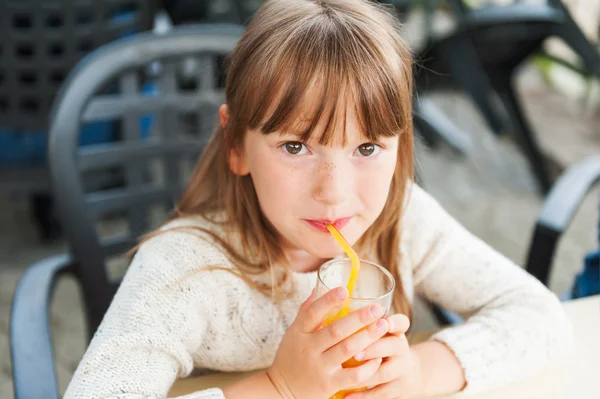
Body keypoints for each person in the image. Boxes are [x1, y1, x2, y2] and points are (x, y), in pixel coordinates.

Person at [64, 1, 573, 398]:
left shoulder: (403, 217)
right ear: (237, 144)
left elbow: (537, 313)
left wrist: (418, 371)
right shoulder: (185, 269)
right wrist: (280, 389)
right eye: (295, 146)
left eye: (367, 147)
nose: (334, 191)